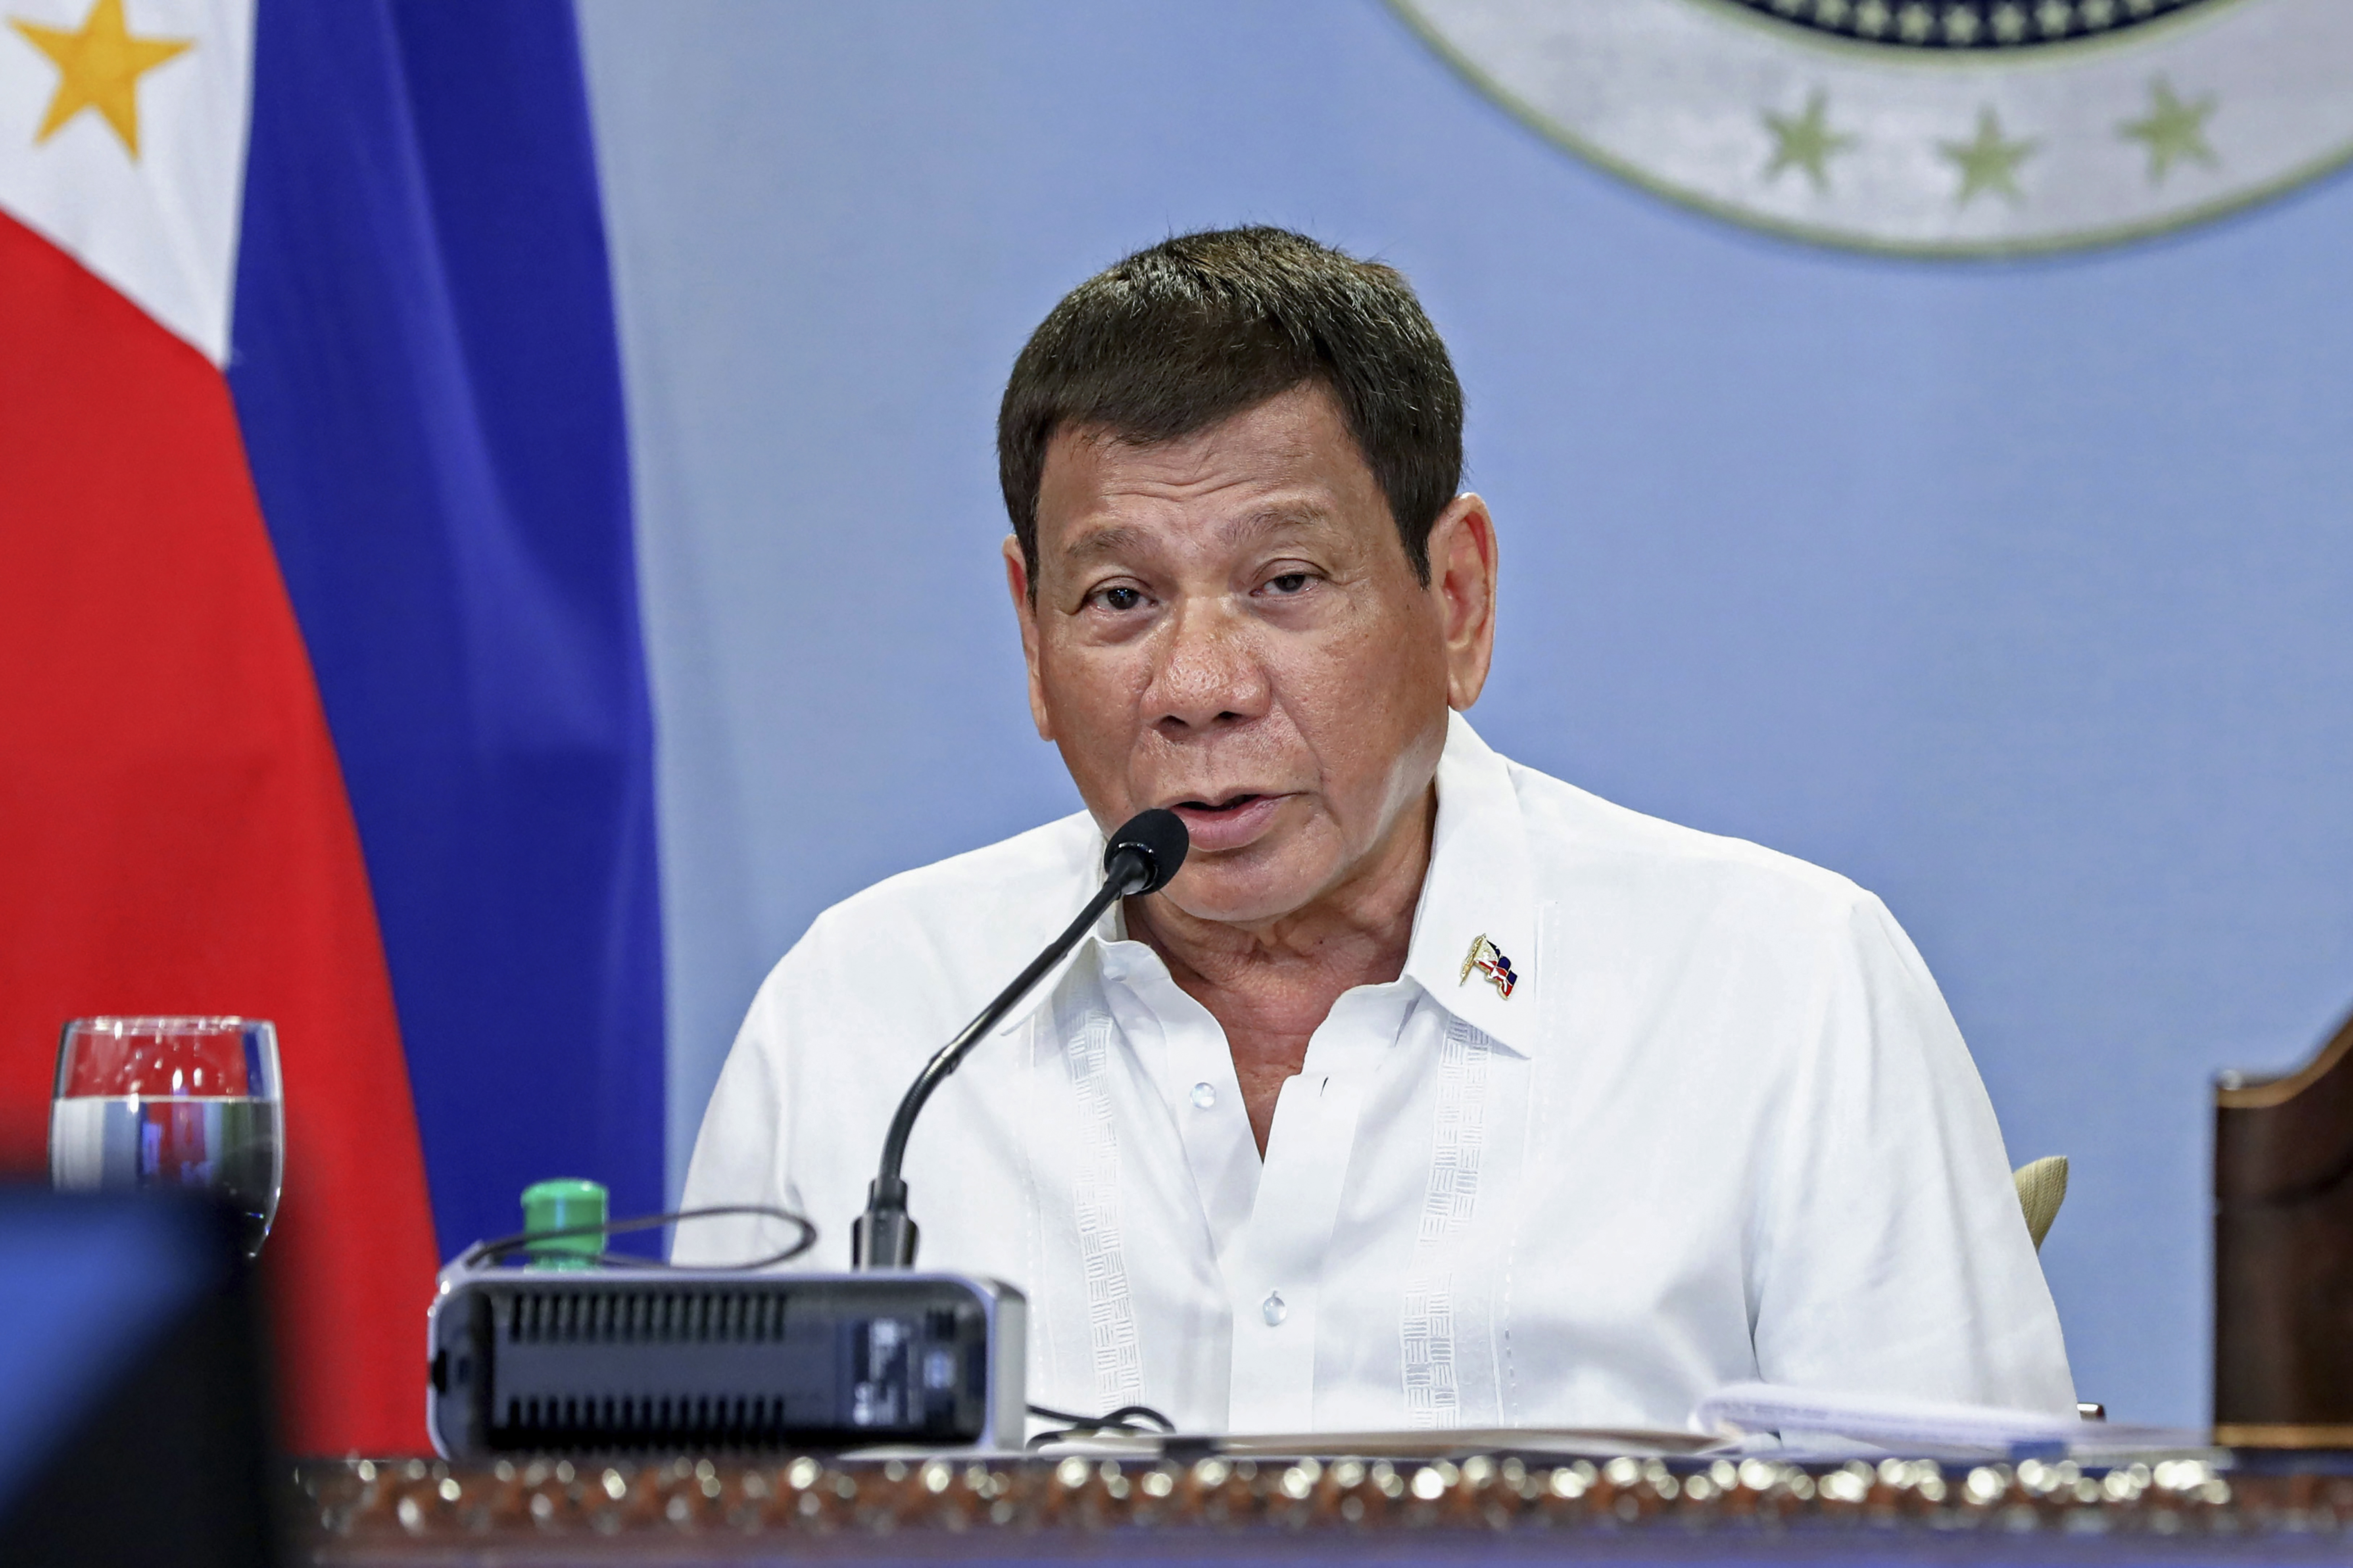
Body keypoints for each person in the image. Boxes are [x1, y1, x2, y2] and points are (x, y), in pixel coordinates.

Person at [677, 226, 2075, 1434]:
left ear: (1455, 599)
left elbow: (1977, 1554)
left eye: (1286, 581)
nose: (1199, 688)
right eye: (1117, 601)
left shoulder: (1780, 989)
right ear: (1031, 641)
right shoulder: (869, 1020)